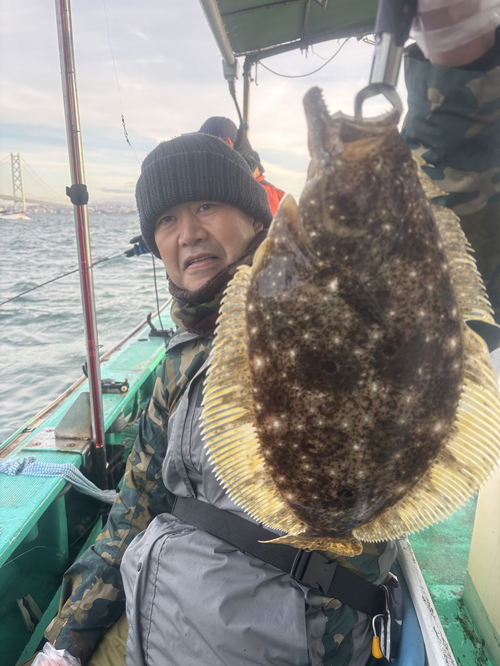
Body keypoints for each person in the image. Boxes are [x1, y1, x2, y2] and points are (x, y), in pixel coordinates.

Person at [45, 4, 500, 665]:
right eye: (167, 220)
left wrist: (458, 51)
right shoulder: (177, 363)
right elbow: (133, 511)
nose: (188, 233)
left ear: (258, 221)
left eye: (207, 205)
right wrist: (64, 642)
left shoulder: (368, 278)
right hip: (151, 619)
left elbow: (460, 199)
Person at [198, 116, 285, 215]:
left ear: (225, 143)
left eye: (204, 145)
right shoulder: (226, 185)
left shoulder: (256, 195)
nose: (199, 152)